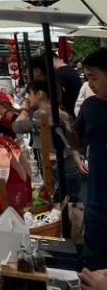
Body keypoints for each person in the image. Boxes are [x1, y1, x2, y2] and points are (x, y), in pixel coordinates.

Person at [13, 81, 80, 199]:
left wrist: (25, 110)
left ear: (39, 94)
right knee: (71, 202)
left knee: (61, 204)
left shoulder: (42, 114)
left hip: (55, 167)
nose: (27, 98)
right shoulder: (60, 112)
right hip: (67, 165)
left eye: (29, 94)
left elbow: (17, 127)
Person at [75, 49, 107, 271]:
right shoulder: (90, 106)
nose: (90, 84)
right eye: (87, 78)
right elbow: (77, 140)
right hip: (96, 201)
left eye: (94, 77)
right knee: (94, 263)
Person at [55, 53, 84, 119]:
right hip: (77, 108)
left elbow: (58, 91)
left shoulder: (59, 73)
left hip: (70, 111)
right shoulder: (71, 70)